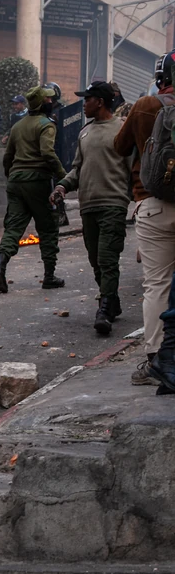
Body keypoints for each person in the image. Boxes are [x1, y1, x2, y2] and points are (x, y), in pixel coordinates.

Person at [115, 49, 175, 385]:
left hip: (151, 203)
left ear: (160, 76)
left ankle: (156, 359)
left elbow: (119, 147)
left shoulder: (145, 106)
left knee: (157, 285)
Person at [50, 81, 127, 335]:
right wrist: (62, 186)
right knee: (95, 260)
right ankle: (112, 301)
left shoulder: (122, 130)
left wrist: (138, 200)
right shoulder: (84, 132)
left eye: (87, 99)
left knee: (107, 259)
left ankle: (104, 309)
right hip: (89, 207)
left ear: (100, 102)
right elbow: (77, 168)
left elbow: (134, 167)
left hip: (113, 204)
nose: (83, 104)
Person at [0, 86, 66, 293]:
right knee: (48, 227)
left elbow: (8, 157)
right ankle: (49, 276)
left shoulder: (17, 126)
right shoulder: (47, 125)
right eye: (49, 100)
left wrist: (11, 176)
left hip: (16, 181)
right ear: (44, 104)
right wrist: (63, 176)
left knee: (13, 227)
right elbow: (48, 153)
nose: (52, 103)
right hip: (38, 181)